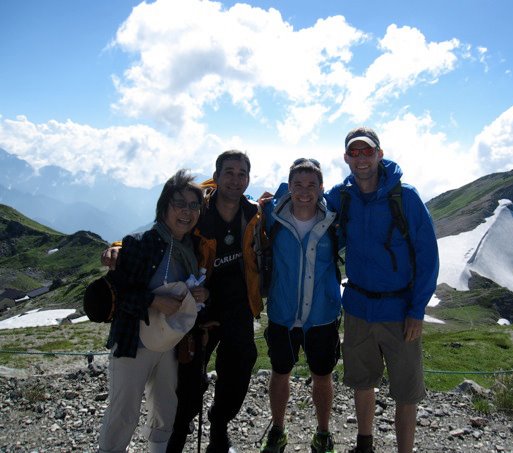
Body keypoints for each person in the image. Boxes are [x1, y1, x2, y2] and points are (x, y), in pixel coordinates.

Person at [102, 151, 264, 453]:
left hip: (235, 308)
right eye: (228, 172)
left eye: (242, 173)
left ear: (248, 179)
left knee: (238, 370)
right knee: (187, 385)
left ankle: (217, 431)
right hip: (193, 314)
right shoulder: (199, 211)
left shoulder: (253, 213)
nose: (235, 179)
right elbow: (161, 233)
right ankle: (174, 440)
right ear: (216, 176)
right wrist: (120, 246)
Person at [324, 127, 439, 453]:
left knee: (406, 392)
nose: (361, 158)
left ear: (380, 154)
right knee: (363, 382)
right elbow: (308, 196)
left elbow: (428, 258)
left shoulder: (406, 198)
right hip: (358, 307)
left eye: (367, 151)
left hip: (399, 311)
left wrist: (417, 310)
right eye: (354, 152)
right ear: (346, 157)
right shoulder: (342, 196)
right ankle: (365, 444)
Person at [98, 169, 208, 453]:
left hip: (170, 343)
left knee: (165, 408)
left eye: (194, 205)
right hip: (133, 341)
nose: (187, 212)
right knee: (124, 411)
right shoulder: (141, 243)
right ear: (164, 206)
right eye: (179, 203)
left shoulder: (192, 248)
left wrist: (201, 294)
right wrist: (154, 301)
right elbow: (116, 295)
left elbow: (191, 288)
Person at [260, 159, 341, 453]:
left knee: (322, 376)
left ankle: (323, 432)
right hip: (283, 313)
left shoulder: (333, 219)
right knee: (280, 372)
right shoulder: (272, 215)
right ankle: (278, 430)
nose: (304, 191)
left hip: (322, 315)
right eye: (298, 184)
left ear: (321, 188)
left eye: (311, 185)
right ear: (289, 186)